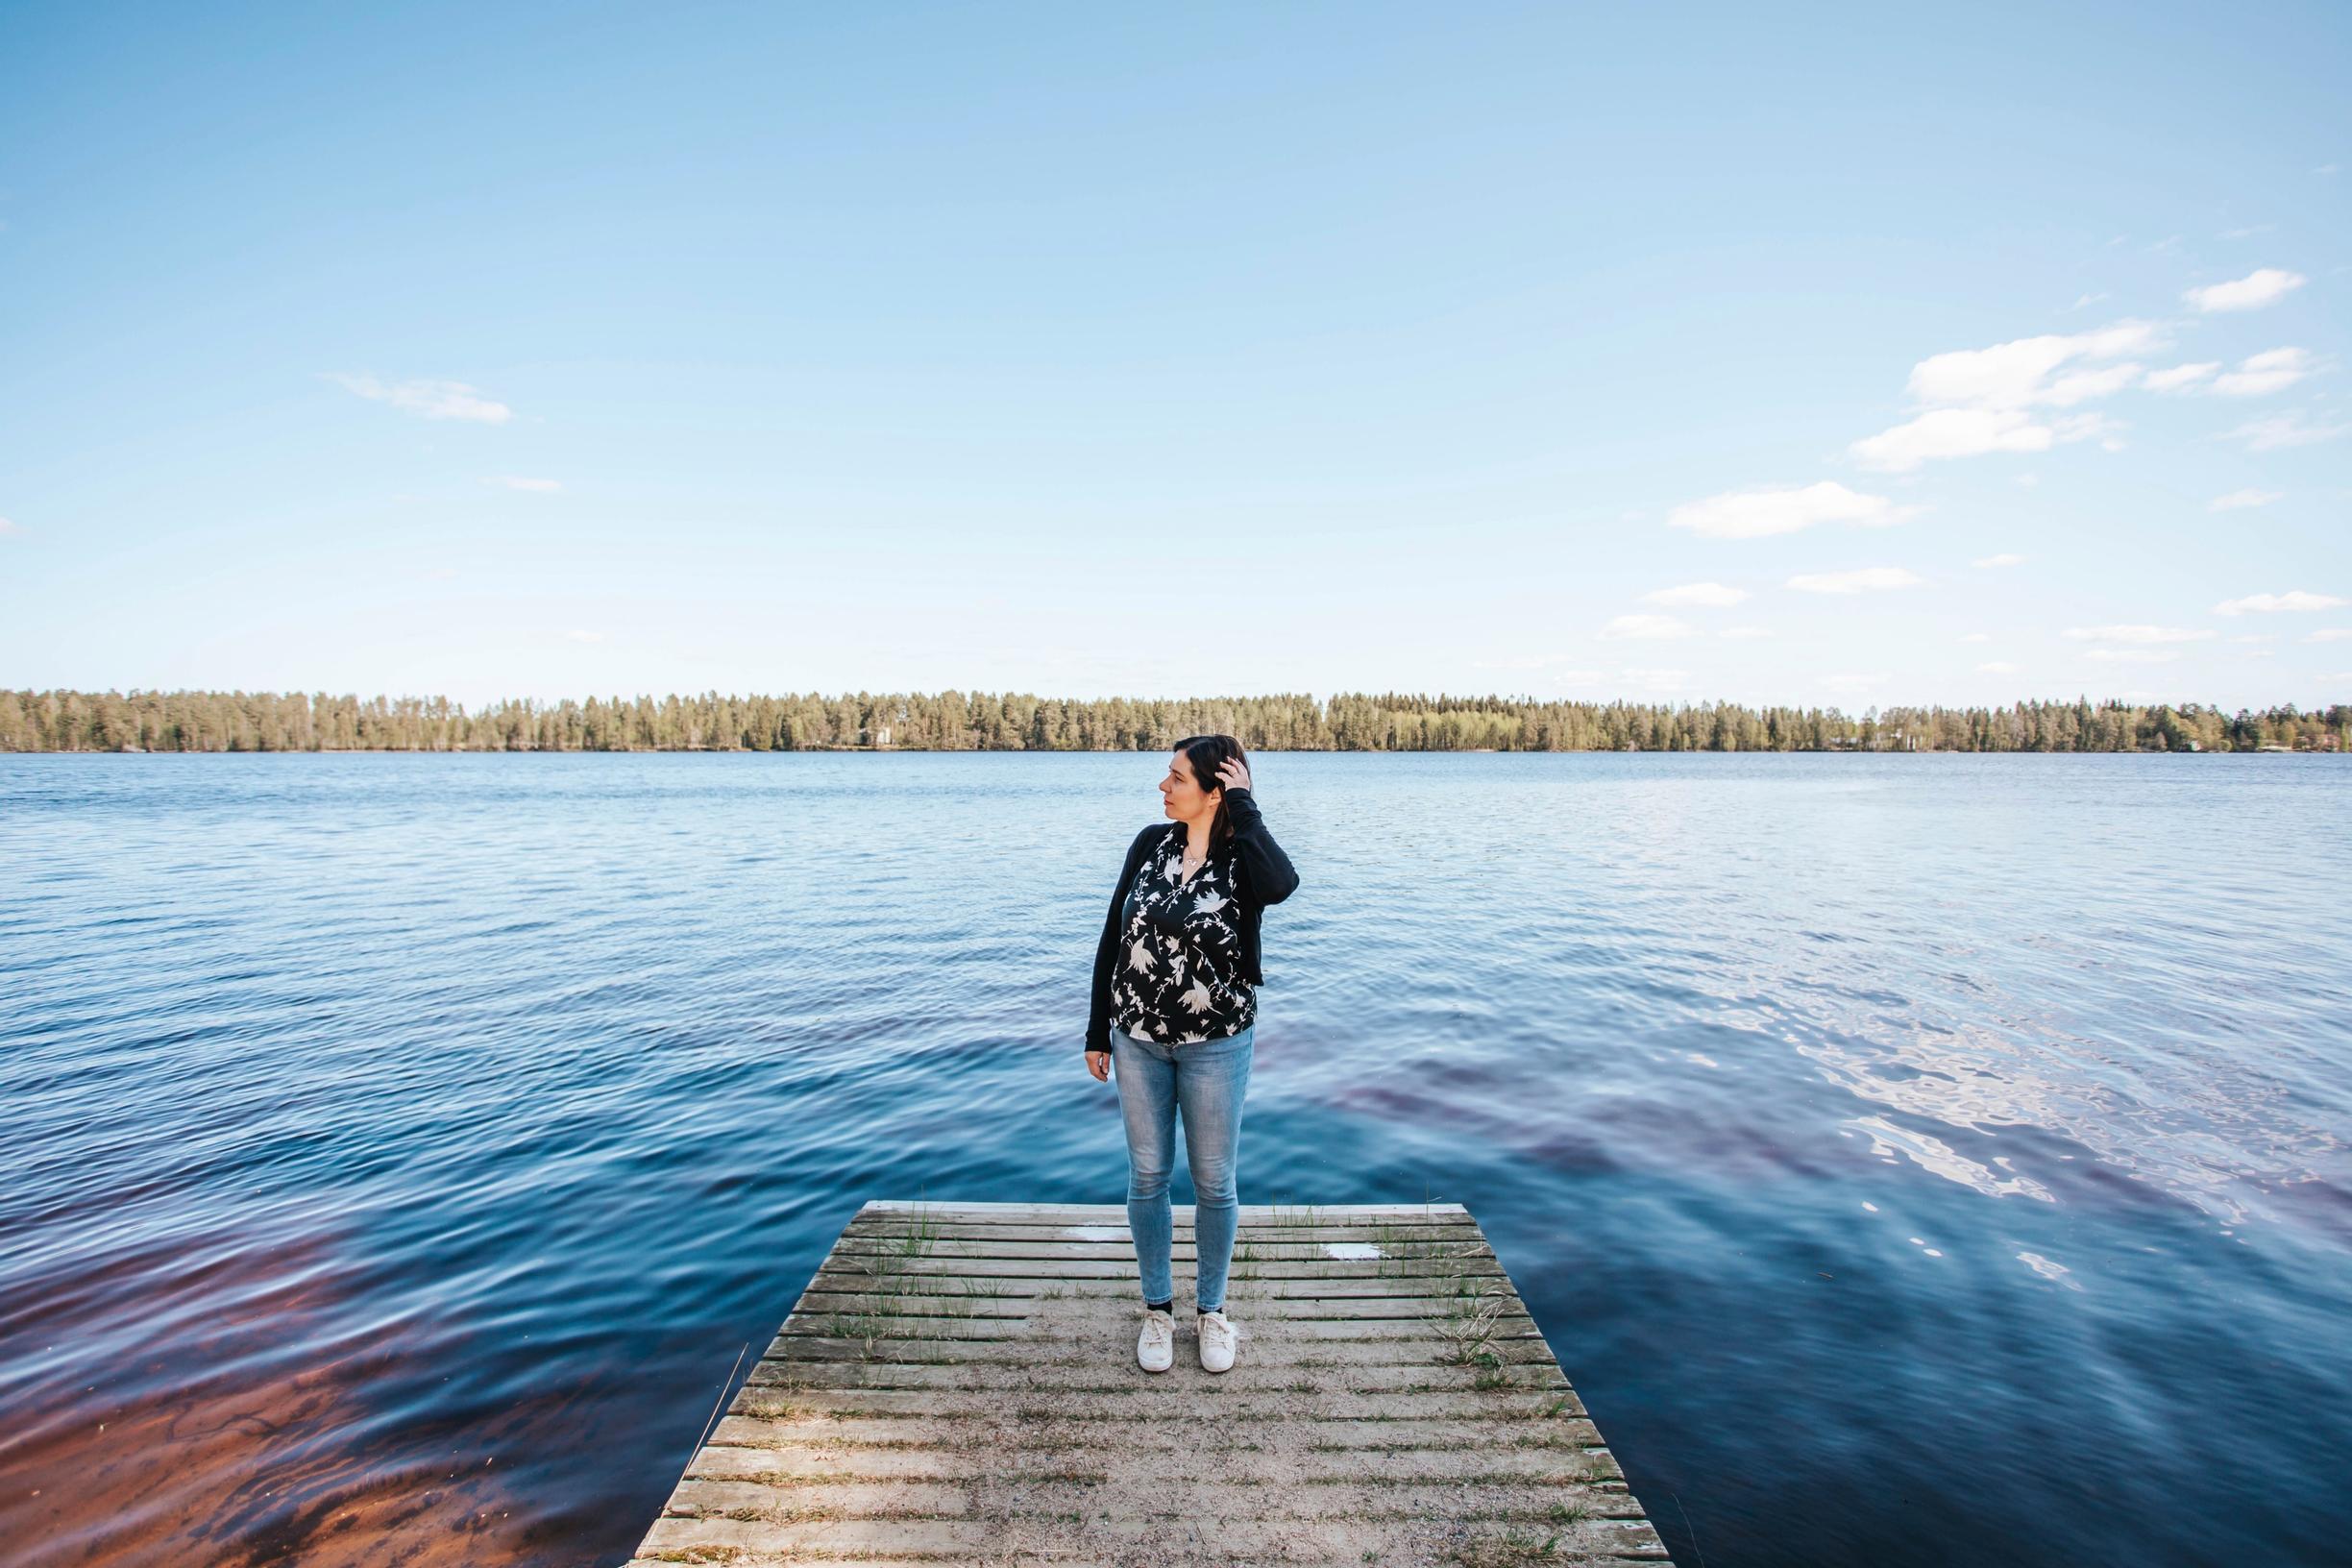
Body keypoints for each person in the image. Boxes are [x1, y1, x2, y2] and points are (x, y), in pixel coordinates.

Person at [1085, 734, 1299, 1374]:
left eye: (1176, 777)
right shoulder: (1151, 844)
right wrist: (1099, 1029)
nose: (1163, 787)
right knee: (1148, 1176)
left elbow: (1282, 885)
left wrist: (1247, 807)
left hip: (1217, 1044)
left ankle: (1212, 1313)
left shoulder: (1243, 857)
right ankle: (1158, 1311)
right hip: (1138, 1041)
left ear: (1214, 790)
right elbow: (1112, 933)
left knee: (1214, 1182)